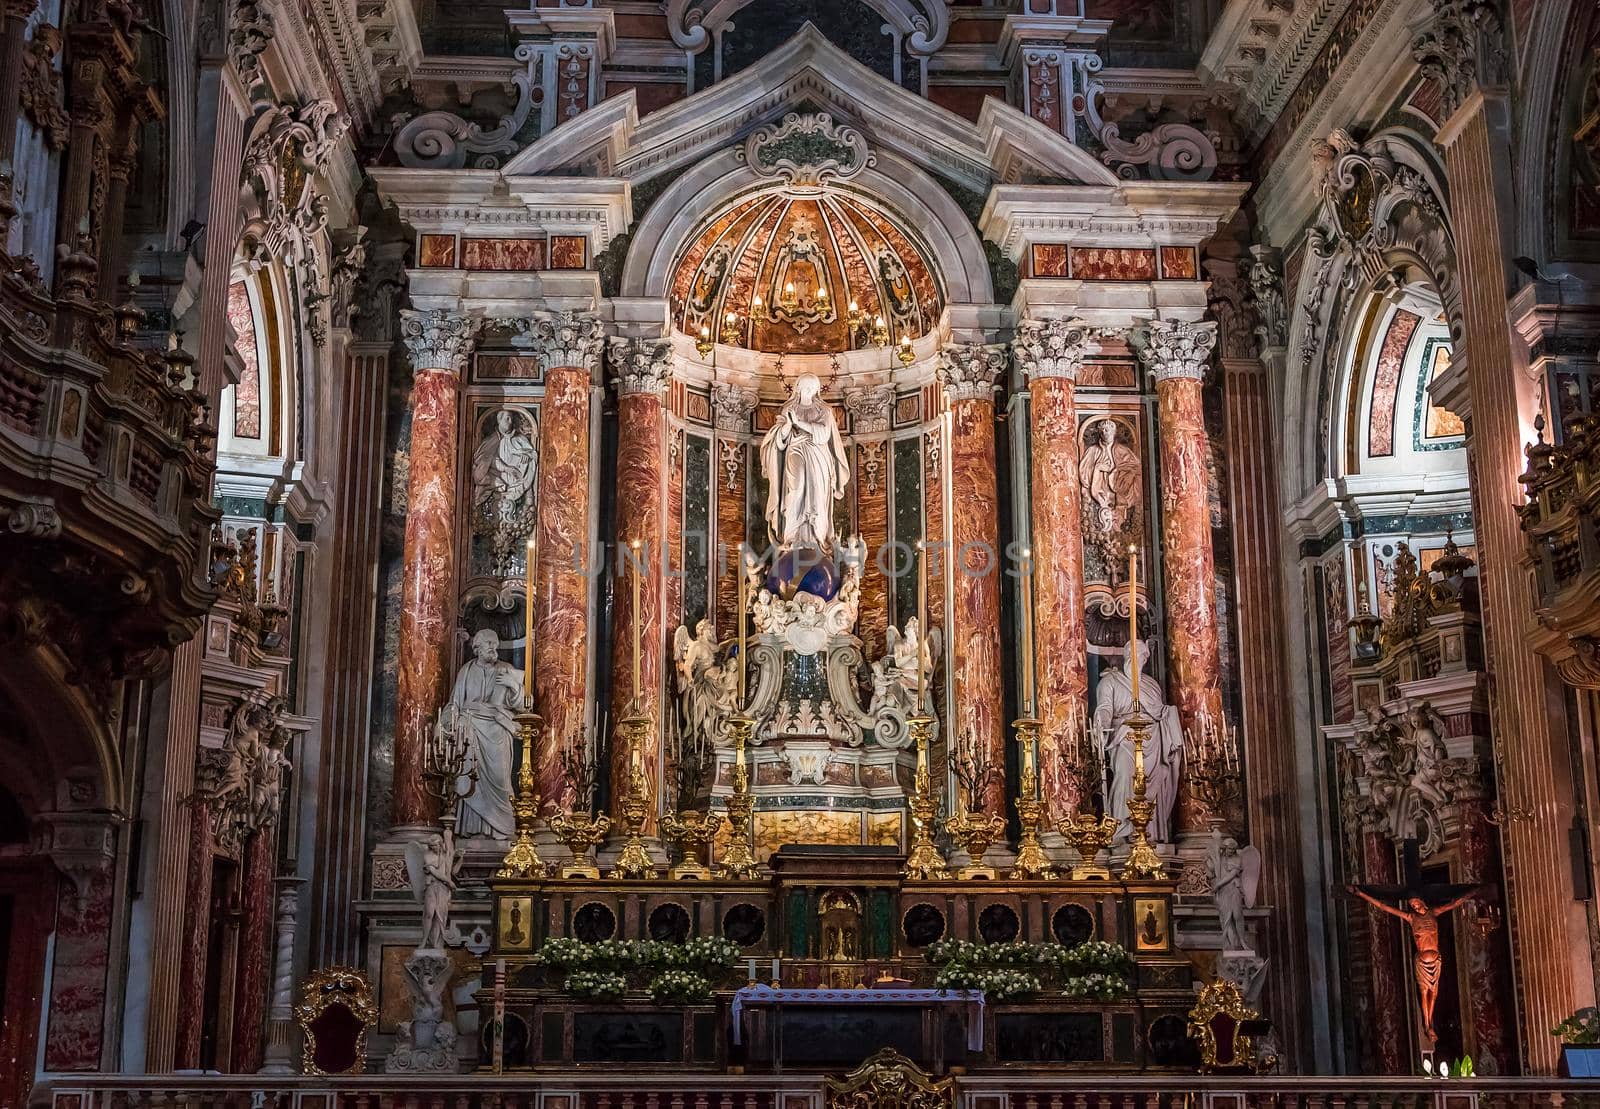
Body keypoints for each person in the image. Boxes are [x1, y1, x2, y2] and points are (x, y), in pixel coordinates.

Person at [1348, 886, 1479, 1043]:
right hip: (1422, 962)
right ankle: (1427, 1024)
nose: (1415, 907)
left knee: (1434, 992)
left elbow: (1454, 903)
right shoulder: (1411, 918)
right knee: (1424, 992)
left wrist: (1473, 892)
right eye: (1412, 906)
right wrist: (1361, 893)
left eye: (1416, 904)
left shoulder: (1433, 913)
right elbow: (1384, 907)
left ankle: (1430, 1024)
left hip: (1436, 961)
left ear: (1422, 902)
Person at [1091, 640, 1183, 842]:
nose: (1136, 659)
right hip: (1125, 737)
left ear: (1146, 659)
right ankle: (1124, 829)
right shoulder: (1110, 681)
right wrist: (1102, 720)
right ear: (1126, 656)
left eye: (1141, 655)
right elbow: (1105, 708)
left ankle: (1151, 835)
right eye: (1133, 654)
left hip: (1153, 740)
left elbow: (1160, 712)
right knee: (1125, 774)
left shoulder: (1151, 685)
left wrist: (1170, 716)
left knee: (1158, 778)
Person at [449, 628, 524, 837]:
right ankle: (472, 830)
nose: (494, 647)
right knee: (469, 776)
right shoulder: (466, 670)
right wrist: (445, 725)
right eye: (489, 643)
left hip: (498, 730)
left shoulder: (506, 669)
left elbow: (522, 706)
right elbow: (455, 703)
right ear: (477, 647)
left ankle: (501, 830)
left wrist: (514, 687)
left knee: (500, 778)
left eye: (495, 643)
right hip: (470, 728)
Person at [760, 373, 849, 550]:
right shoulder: (788, 409)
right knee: (796, 488)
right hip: (796, 450)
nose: (807, 390)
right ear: (797, 388)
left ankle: (817, 537)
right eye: (804, 387)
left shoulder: (824, 410)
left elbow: (823, 434)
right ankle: (792, 536)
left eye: (811, 387)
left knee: (817, 493)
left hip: (818, 454)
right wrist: (786, 426)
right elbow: (780, 439)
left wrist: (798, 423)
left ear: (817, 390)